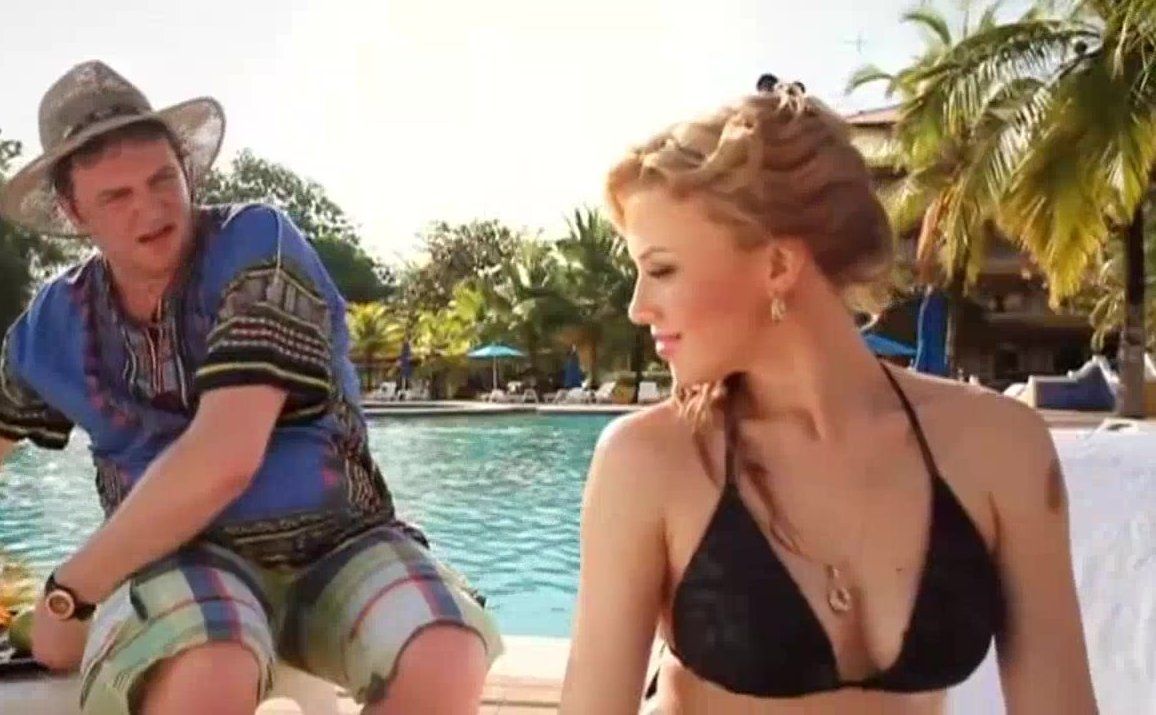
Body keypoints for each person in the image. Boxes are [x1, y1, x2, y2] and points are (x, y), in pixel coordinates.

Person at [560, 79, 1097, 714]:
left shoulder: (1000, 447)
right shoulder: (651, 461)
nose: (638, 307)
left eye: (662, 269)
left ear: (778, 266)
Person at [0, 61, 502, 714]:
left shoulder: (256, 242)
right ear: (74, 211)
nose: (150, 209)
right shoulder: (55, 323)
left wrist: (69, 593)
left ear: (186, 169)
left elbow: (225, 456)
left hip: (340, 545)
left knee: (444, 650)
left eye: (162, 179)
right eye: (116, 197)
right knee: (212, 661)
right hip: (178, 559)